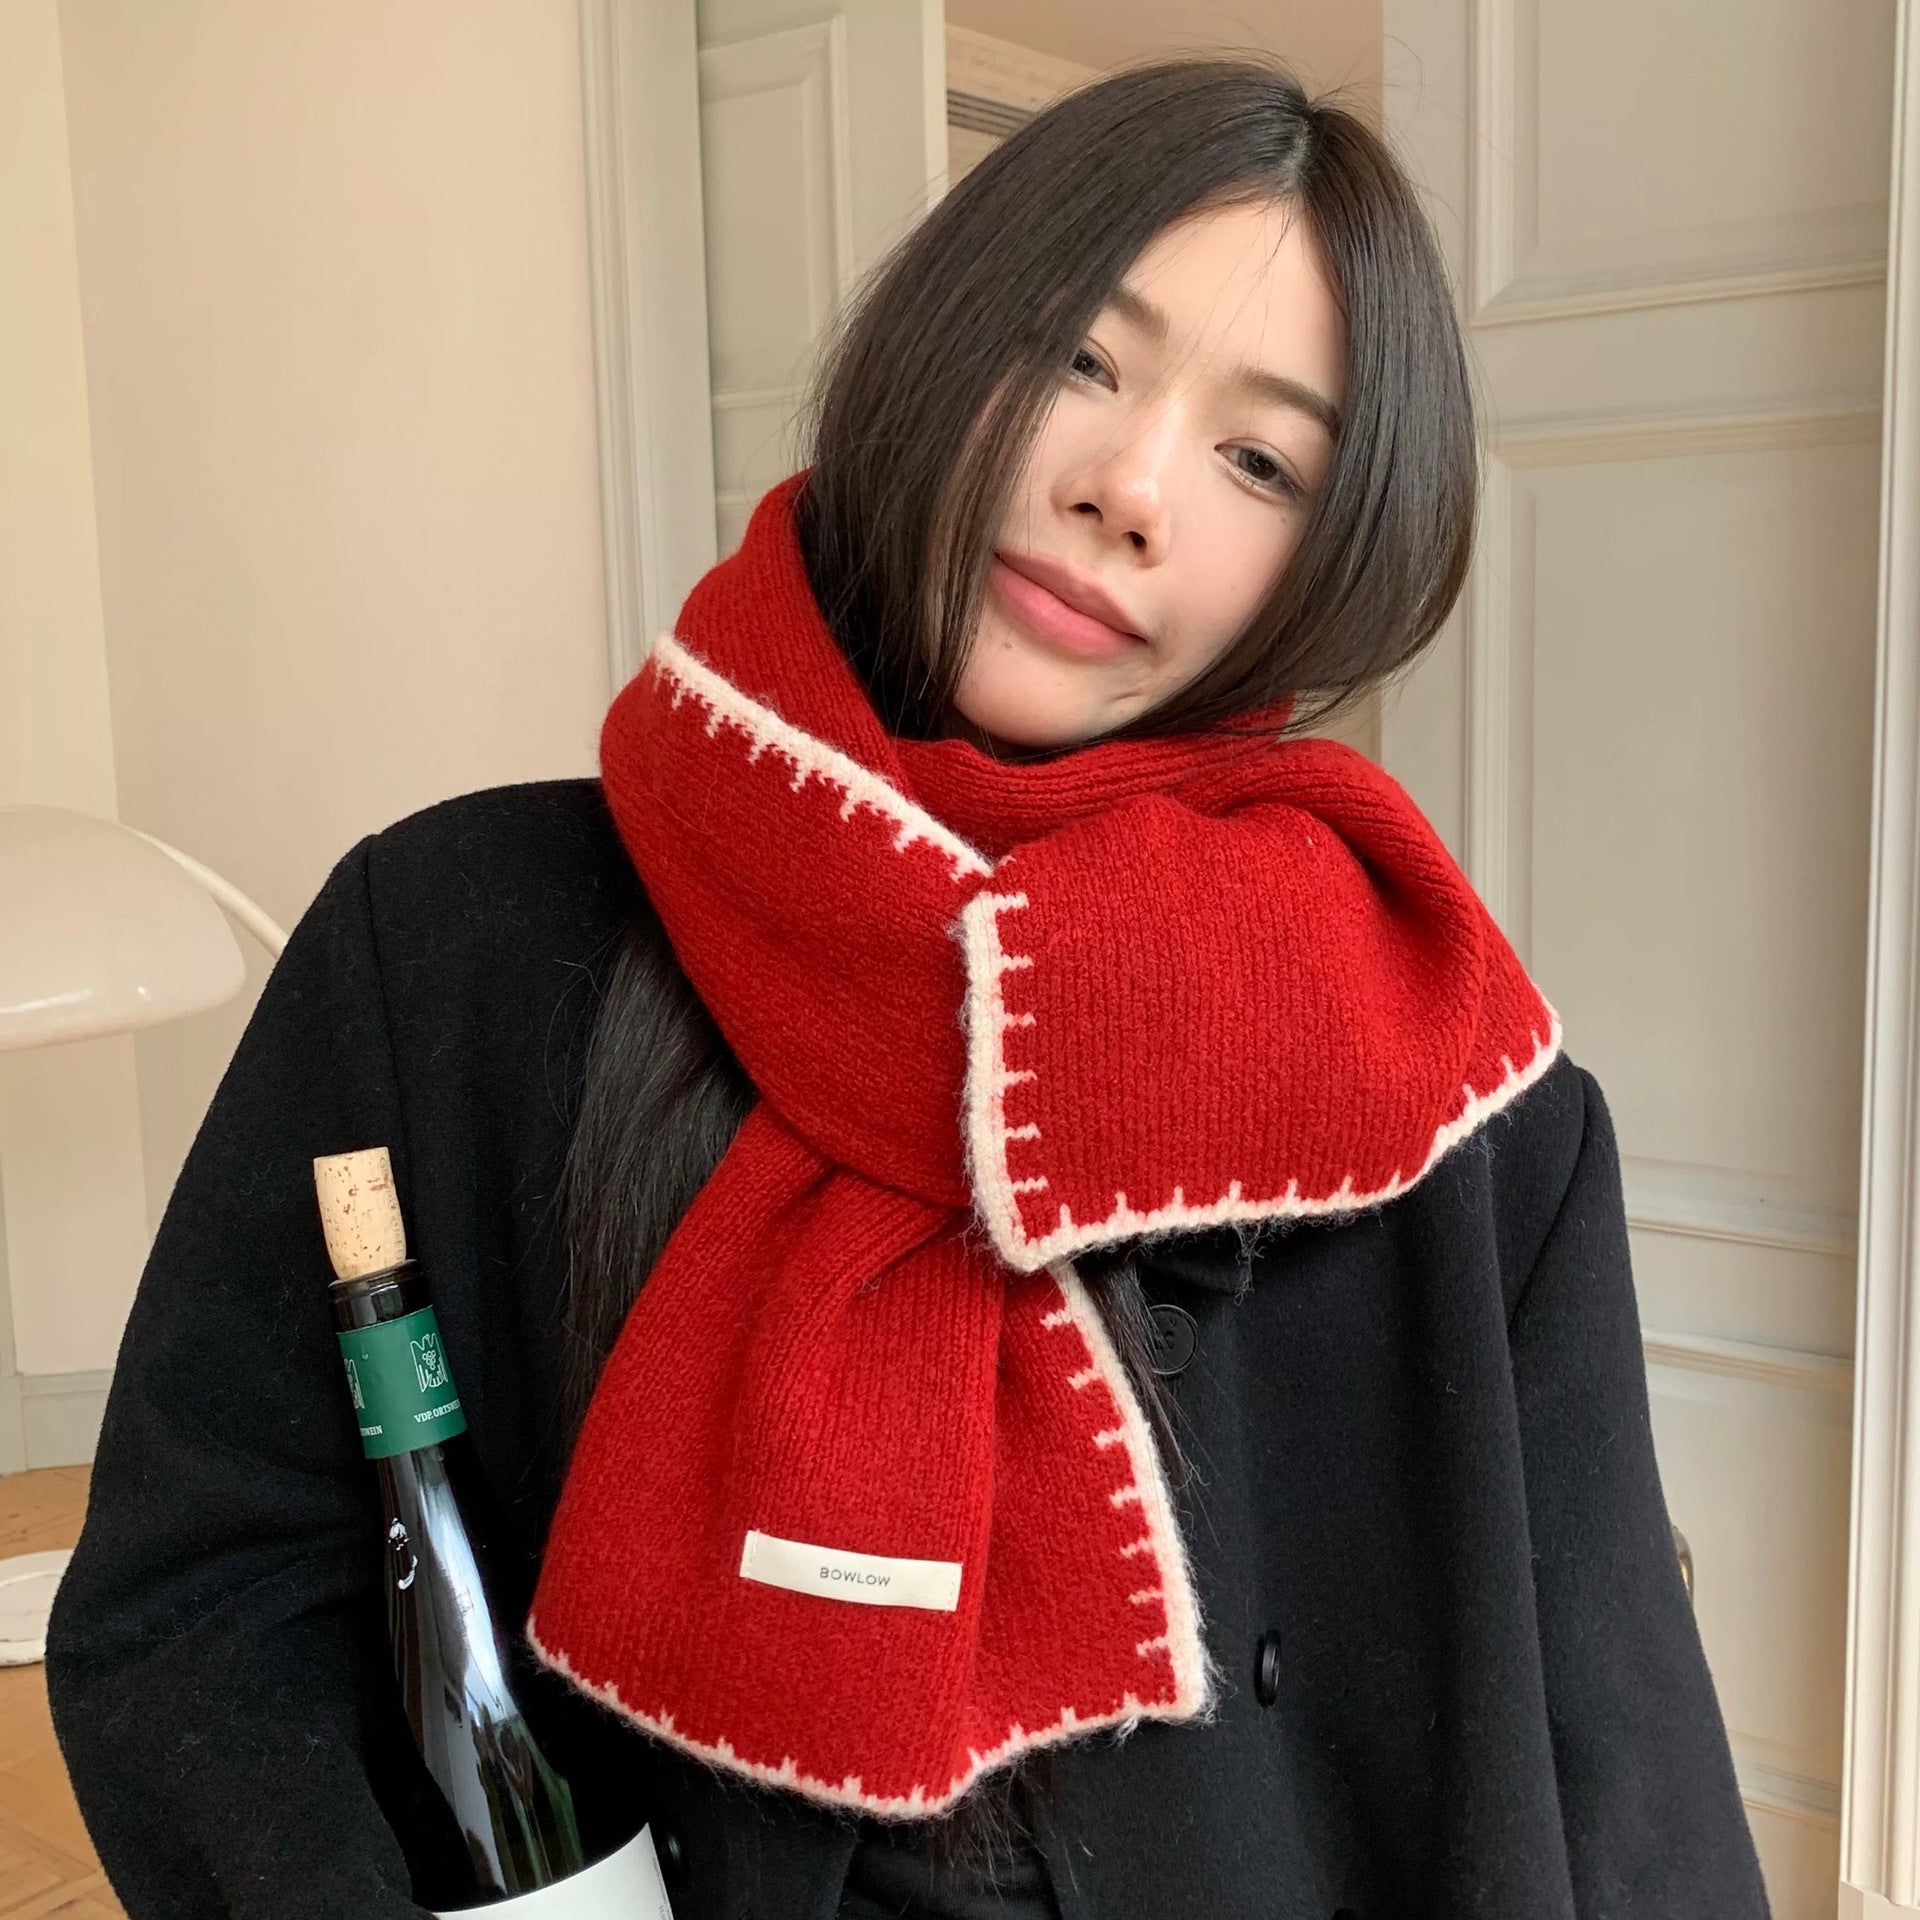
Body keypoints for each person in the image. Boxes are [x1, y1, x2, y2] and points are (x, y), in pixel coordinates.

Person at [44, 52, 1771, 1920]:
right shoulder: (454, 947)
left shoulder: (1447, 1092)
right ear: (942, 339)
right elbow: (203, 1605)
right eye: (1083, 358)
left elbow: (1623, 1767)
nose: (1129, 491)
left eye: (1262, 460)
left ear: (1328, 559)